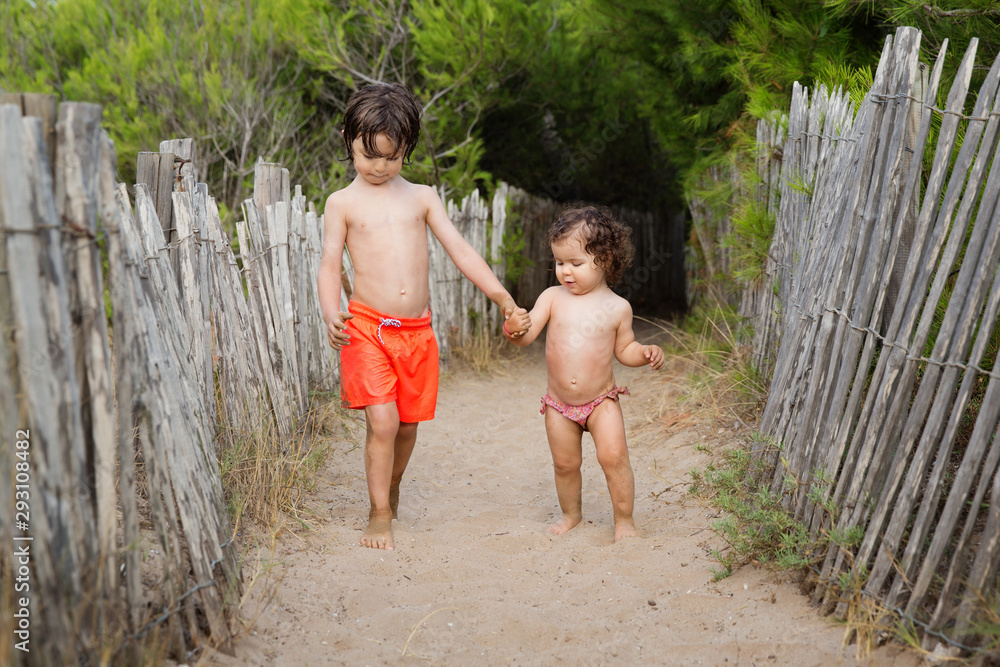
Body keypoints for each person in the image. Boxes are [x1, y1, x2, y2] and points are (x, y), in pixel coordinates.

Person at [317, 82, 530, 551]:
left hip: (417, 333)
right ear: (349, 141)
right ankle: (379, 513)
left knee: (408, 426)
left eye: (391, 157)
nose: (379, 167)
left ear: (407, 149)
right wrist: (332, 312)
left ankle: (391, 486)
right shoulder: (342, 203)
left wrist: (501, 297)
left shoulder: (422, 197)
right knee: (384, 422)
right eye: (369, 155)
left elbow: (461, 251)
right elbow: (330, 265)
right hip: (367, 328)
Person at [504, 206, 664, 543]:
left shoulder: (617, 307)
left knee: (614, 458)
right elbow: (526, 338)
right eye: (559, 262)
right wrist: (513, 329)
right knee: (565, 464)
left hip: (601, 401)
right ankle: (571, 514)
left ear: (605, 260)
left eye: (575, 263)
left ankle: (624, 521)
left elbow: (625, 349)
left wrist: (644, 353)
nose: (565, 271)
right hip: (559, 404)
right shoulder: (552, 298)